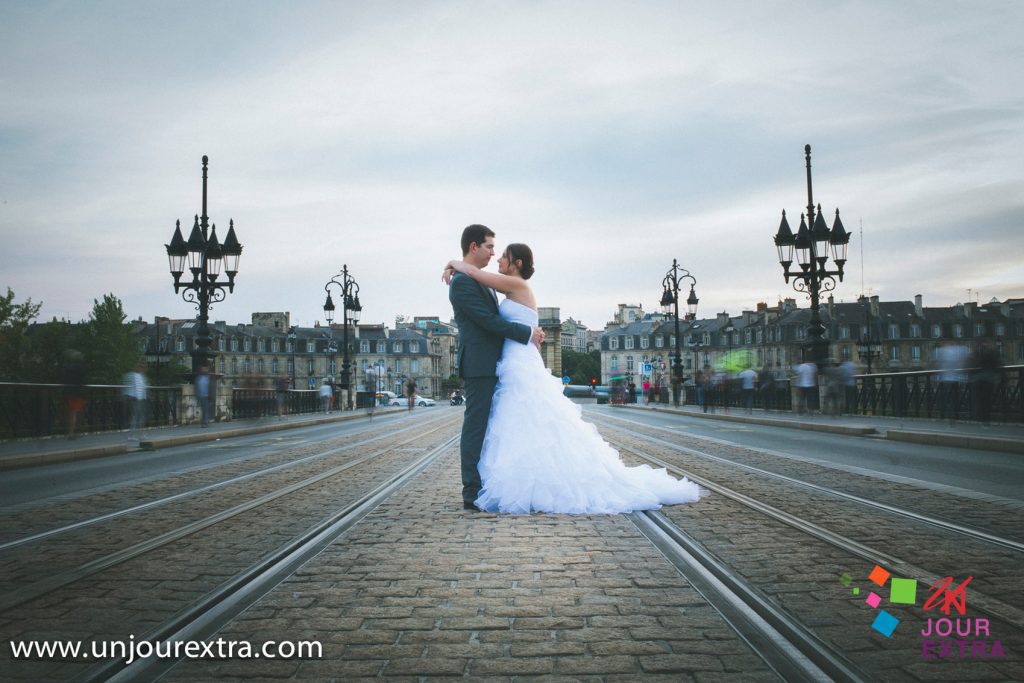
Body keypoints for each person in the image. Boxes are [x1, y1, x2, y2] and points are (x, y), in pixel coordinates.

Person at [444, 238, 704, 514]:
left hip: (518, 362)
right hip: (509, 361)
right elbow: (484, 300)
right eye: (491, 249)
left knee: (521, 420)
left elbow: (475, 276)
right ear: (474, 246)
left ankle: (517, 482)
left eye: (502, 255)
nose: (497, 257)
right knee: (515, 423)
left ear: (516, 263)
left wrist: (453, 264)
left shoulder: (516, 285)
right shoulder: (502, 288)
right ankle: (509, 480)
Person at [446, 225, 544, 511]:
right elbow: (488, 322)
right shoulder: (464, 282)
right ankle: (472, 491)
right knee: (476, 427)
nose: (493, 253)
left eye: (498, 251)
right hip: (480, 365)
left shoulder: (482, 281)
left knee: (496, 427)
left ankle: (490, 483)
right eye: (490, 247)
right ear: (474, 246)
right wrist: (527, 333)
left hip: (498, 363)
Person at [123, 362, 148, 441]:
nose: (142, 369)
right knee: (135, 417)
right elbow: (128, 387)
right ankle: (131, 435)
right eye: (141, 367)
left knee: (140, 417)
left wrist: (144, 397)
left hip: (141, 399)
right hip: (134, 399)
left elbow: (143, 388)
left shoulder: (141, 376)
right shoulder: (131, 375)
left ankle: (140, 435)